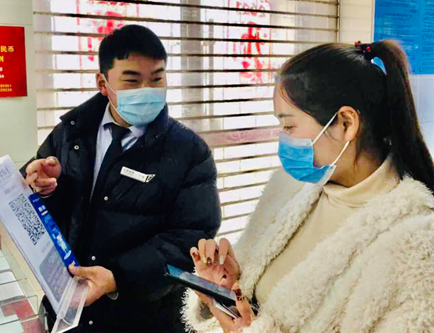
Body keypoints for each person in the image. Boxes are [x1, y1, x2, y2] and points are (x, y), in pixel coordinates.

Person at [182, 41, 434, 332]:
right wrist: (228, 287)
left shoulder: (418, 247)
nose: (283, 138)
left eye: (289, 126)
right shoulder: (287, 188)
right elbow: (254, 306)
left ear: (346, 123)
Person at [23, 25, 221, 332]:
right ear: (103, 83)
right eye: (132, 80)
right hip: (68, 307)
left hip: (145, 316)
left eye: (157, 79)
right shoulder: (71, 133)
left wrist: (118, 277)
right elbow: (41, 207)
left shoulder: (189, 152)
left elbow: (190, 239)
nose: (147, 90)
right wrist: (43, 187)